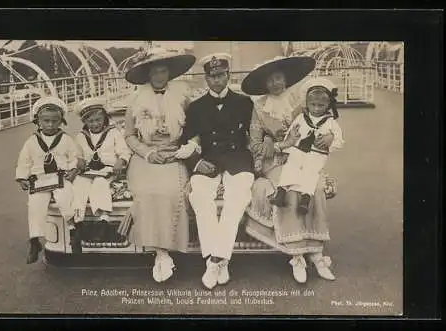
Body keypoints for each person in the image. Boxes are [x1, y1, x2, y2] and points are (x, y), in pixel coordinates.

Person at [241, 56, 338, 284]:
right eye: (270, 80)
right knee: (292, 189)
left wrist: (330, 134)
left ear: (285, 78)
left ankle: (316, 253)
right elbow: (255, 145)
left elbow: (326, 118)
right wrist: (274, 144)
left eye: (278, 78)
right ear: (264, 85)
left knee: (315, 186)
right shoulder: (259, 108)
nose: (275, 84)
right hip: (274, 161)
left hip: (304, 157)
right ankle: (297, 256)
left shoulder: (301, 101)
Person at [177, 53, 255, 290]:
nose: (217, 80)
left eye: (221, 75)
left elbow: (257, 134)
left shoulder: (245, 102)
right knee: (199, 197)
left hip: (238, 160)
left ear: (228, 75)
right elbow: (186, 141)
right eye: (212, 76)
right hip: (207, 160)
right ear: (206, 79)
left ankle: (215, 260)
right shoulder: (196, 107)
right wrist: (197, 162)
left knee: (237, 197)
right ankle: (219, 261)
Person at [123, 47, 196, 283]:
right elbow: (130, 136)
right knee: (147, 191)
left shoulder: (184, 96)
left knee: (173, 191)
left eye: (163, 71)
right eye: (155, 72)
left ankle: (167, 248)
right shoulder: (135, 99)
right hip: (147, 156)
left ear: (169, 73)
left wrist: (189, 147)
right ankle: (161, 254)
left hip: (174, 153)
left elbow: (195, 129)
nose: (159, 76)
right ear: (148, 74)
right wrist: (147, 152)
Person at [15, 97, 81, 264]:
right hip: (39, 180)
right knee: (35, 206)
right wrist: (22, 177)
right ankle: (35, 240)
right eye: (46, 121)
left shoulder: (66, 139)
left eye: (54, 121)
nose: (50, 125)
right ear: (38, 121)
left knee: (65, 198)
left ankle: (73, 231)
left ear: (61, 121)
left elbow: (74, 156)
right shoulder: (31, 142)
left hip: (60, 176)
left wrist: (73, 169)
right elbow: (24, 161)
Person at [273, 77, 344, 215]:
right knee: (291, 166)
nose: (316, 109)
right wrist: (288, 145)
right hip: (298, 149)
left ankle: (306, 198)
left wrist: (331, 141)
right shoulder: (301, 118)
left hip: (317, 153)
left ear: (328, 105)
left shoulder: (330, 123)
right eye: (313, 105)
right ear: (307, 104)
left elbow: (340, 141)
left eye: (320, 105)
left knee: (311, 172)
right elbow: (290, 134)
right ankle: (281, 191)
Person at [71, 97, 132, 253]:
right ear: (85, 122)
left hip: (108, 170)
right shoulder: (81, 136)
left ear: (104, 117)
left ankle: (103, 221)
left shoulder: (113, 133)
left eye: (98, 120)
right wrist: (78, 160)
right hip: (88, 170)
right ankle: (77, 225)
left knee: (100, 183)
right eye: (91, 121)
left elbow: (125, 151)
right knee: (78, 184)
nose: (95, 124)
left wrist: (121, 160)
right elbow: (76, 155)